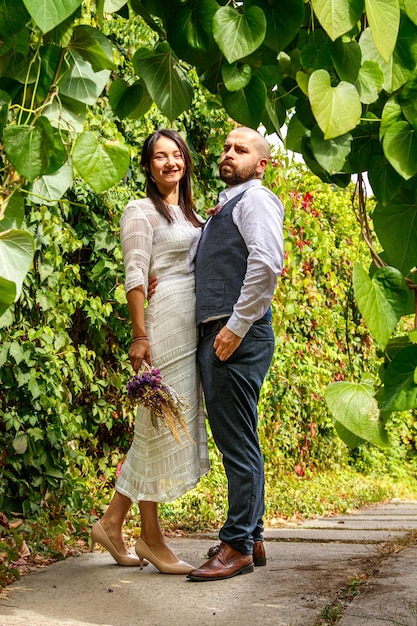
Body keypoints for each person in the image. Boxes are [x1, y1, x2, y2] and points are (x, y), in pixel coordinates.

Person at [91, 129, 209, 574]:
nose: (169, 162)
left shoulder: (194, 215)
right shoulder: (140, 211)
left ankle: (112, 521)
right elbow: (135, 275)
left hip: (189, 328)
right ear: (147, 166)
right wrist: (140, 335)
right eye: (159, 157)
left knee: (155, 429)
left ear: (186, 161)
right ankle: (151, 539)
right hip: (161, 331)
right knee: (159, 427)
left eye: (175, 154)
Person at [187, 126, 284, 582]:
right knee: (242, 439)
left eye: (240, 149)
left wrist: (234, 328)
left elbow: (266, 264)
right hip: (227, 333)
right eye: (226, 147)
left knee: (237, 446)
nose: (228, 153)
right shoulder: (228, 206)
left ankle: (236, 546)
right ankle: (254, 537)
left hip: (234, 336)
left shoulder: (256, 201)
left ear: (261, 164)